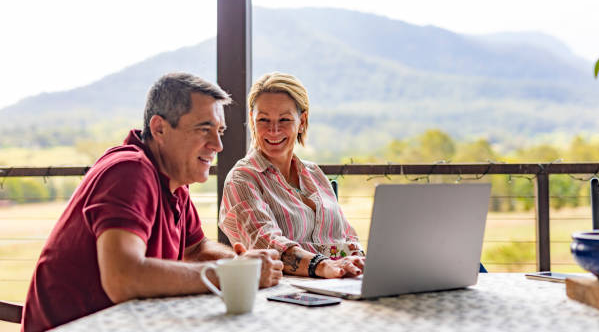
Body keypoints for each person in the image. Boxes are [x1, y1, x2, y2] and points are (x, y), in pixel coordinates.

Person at [22, 73, 283, 332]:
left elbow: (196, 249)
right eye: (204, 129)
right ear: (159, 128)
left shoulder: (173, 179)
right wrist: (229, 274)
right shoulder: (130, 171)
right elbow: (123, 278)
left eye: (220, 131)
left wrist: (246, 264)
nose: (218, 145)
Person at [219, 72, 365, 279]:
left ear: (302, 121)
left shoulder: (314, 173)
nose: (273, 129)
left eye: (285, 119)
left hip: (342, 282)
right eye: (263, 119)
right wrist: (323, 266)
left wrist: (360, 260)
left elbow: (347, 235)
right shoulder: (242, 179)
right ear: (252, 121)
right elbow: (266, 242)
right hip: (284, 292)